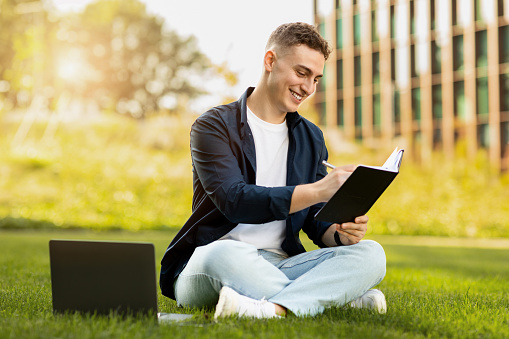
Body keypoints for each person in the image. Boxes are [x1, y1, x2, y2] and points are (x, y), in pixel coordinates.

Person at [160, 22, 387, 319]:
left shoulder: (311, 137)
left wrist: (339, 234)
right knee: (224, 255)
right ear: (270, 61)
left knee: (371, 254)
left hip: (280, 263)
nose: (307, 88)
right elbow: (235, 201)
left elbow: (315, 221)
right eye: (301, 73)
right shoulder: (213, 126)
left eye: (316, 79)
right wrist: (320, 189)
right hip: (214, 260)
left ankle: (271, 309)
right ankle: (333, 299)